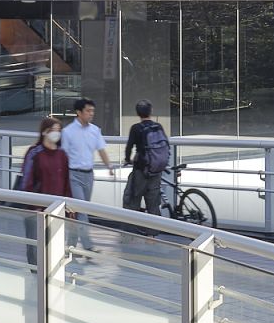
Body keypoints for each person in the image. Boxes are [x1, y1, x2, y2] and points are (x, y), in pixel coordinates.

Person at [58, 98, 112, 249]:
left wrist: (109, 166)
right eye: (88, 111)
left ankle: (71, 244)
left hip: (89, 175)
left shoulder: (95, 130)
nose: (91, 113)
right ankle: (88, 246)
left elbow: (101, 150)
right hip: (73, 175)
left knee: (80, 210)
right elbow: (63, 155)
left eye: (92, 111)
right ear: (79, 112)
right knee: (82, 210)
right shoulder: (68, 132)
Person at [122, 100, 174, 217]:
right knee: (153, 205)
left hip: (141, 171)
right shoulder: (158, 126)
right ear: (151, 111)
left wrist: (127, 159)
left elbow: (129, 147)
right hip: (156, 170)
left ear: (137, 113)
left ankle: (132, 226)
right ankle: (154, 229)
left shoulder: (136, 128)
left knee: (133, 200)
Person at [16, 117, 71, 195]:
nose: (56, 133)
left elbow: (67, 181)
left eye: (58, 130)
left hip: (58, 199)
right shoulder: (34, 152)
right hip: (39, 199)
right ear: (44, 131)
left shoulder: (62, 154)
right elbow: (27, 179)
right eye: (53, 130)